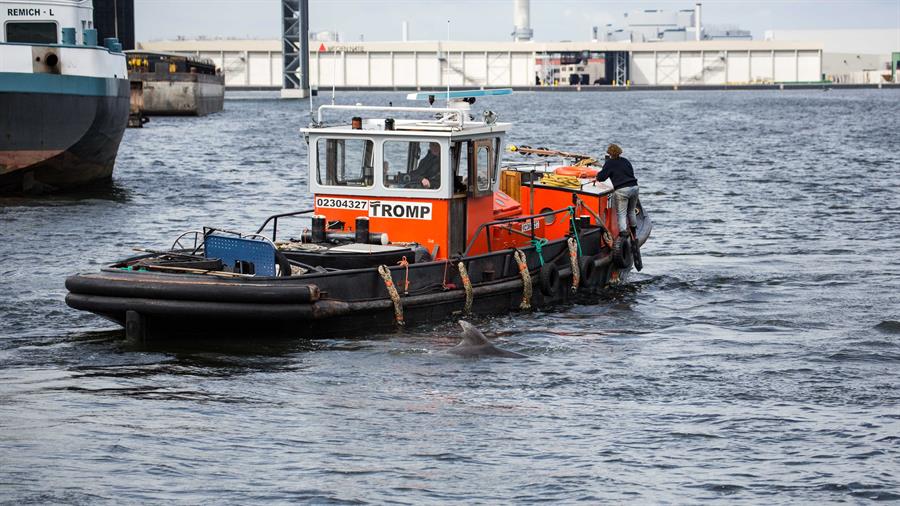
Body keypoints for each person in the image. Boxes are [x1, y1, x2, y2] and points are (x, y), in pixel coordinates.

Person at [595, 143, 639, 240]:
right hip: (634, 187)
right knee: (631, 211)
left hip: (622, 190)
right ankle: (634, 231)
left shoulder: (609, 163)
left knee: (621, 213)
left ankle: (623, 234)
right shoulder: (626, 161)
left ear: (609, 153)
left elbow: (602, 177)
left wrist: (597, 176)